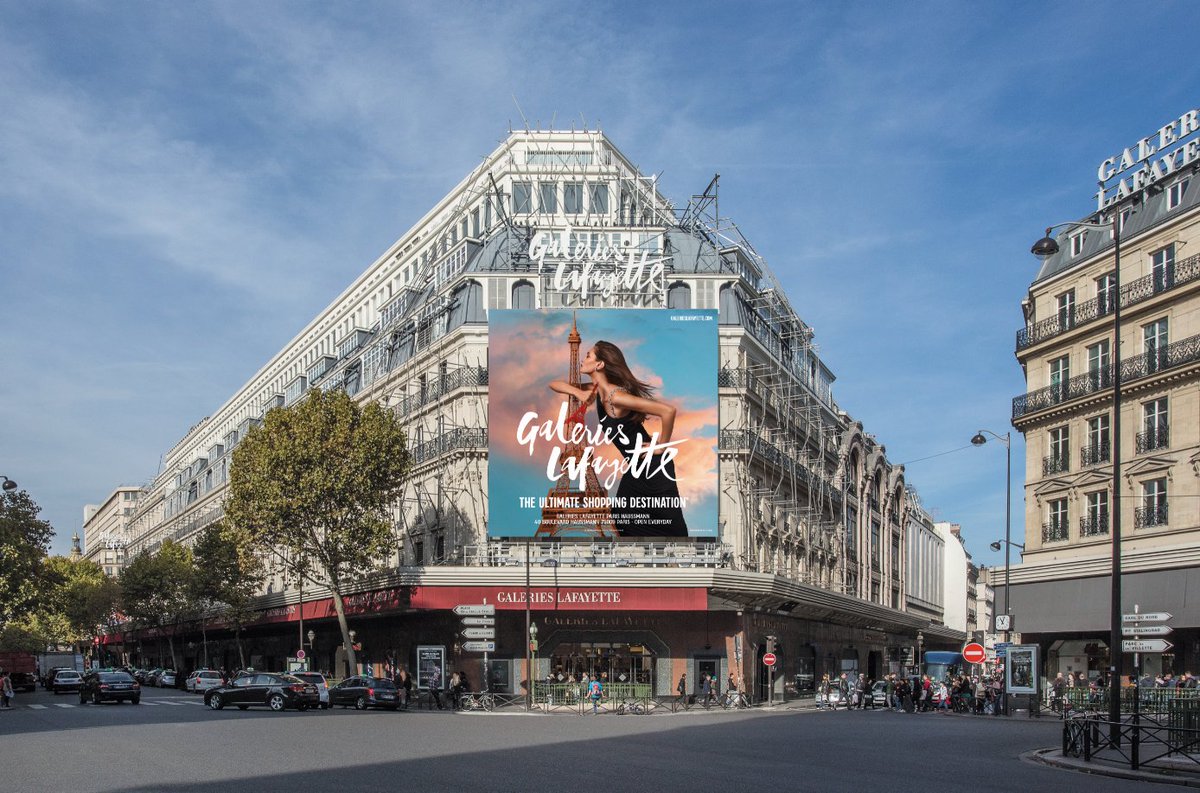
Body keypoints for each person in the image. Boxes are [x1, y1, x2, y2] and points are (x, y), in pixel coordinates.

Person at [549, 340, 687, 537]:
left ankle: (680, 562)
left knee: (666, 523)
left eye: (588, 355)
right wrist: (578, 391)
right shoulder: (597, 390)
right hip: (637, 466)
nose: (583, 359)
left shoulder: (617, 398)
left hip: (655, 466)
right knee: (623, 519)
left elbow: (668, 411)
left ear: (600, 364)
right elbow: (554, 384)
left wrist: (662, 447)